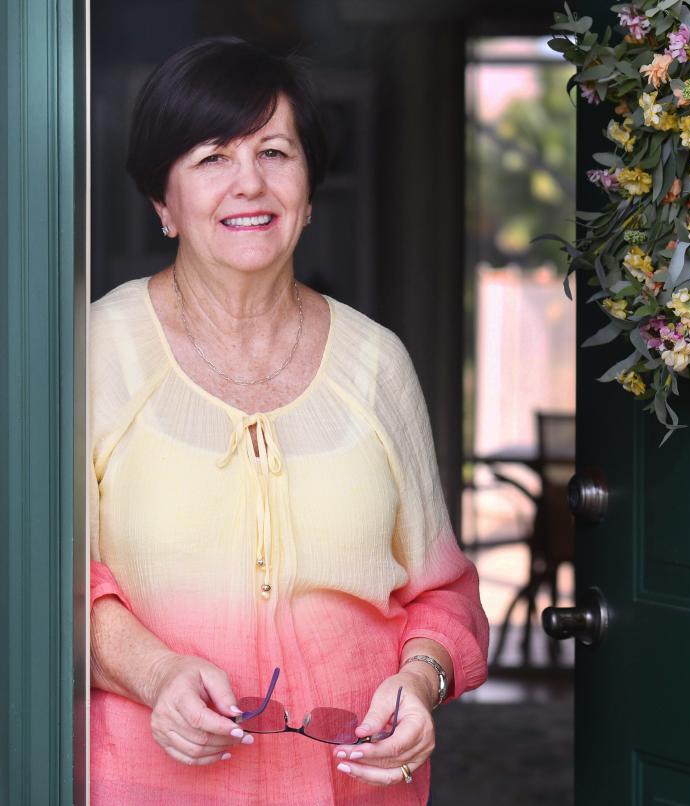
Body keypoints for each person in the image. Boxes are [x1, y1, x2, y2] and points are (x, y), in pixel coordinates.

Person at [89, 36, 489, 805]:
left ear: (309, 194)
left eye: (275, 152)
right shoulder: (98, 354)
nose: (250, 184)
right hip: (148, 785)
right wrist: (157, 673)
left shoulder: (376, 363)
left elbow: (445, 592)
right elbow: (53, 586)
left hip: (350, 787)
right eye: (211, 158)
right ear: (162, 203)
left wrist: (422, 678)